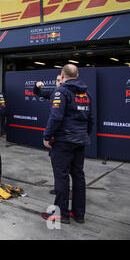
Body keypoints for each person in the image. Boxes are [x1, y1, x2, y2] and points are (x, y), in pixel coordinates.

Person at [41, 64, 94, 224]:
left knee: (62, 177)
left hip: (63, 142)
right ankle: (79, 214)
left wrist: (47, 136)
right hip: (80, 140)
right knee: (78, 176)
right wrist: (84, 135)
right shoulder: (86, 94)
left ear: (63, 76)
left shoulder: (61, 91)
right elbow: (91, 119)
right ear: (76, 75)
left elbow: (55, 117)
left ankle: (61, 214)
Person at [34, 74, 62, 195]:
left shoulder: (72, 94)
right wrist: (36, 85)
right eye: (57, 80)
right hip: (55, 136)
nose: (59, 82)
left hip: (65, 137)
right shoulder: (54, 92)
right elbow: (38, 93)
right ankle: (58, 188)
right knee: (56, 165)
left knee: (67, 168)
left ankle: (66, 190)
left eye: (61, 80)